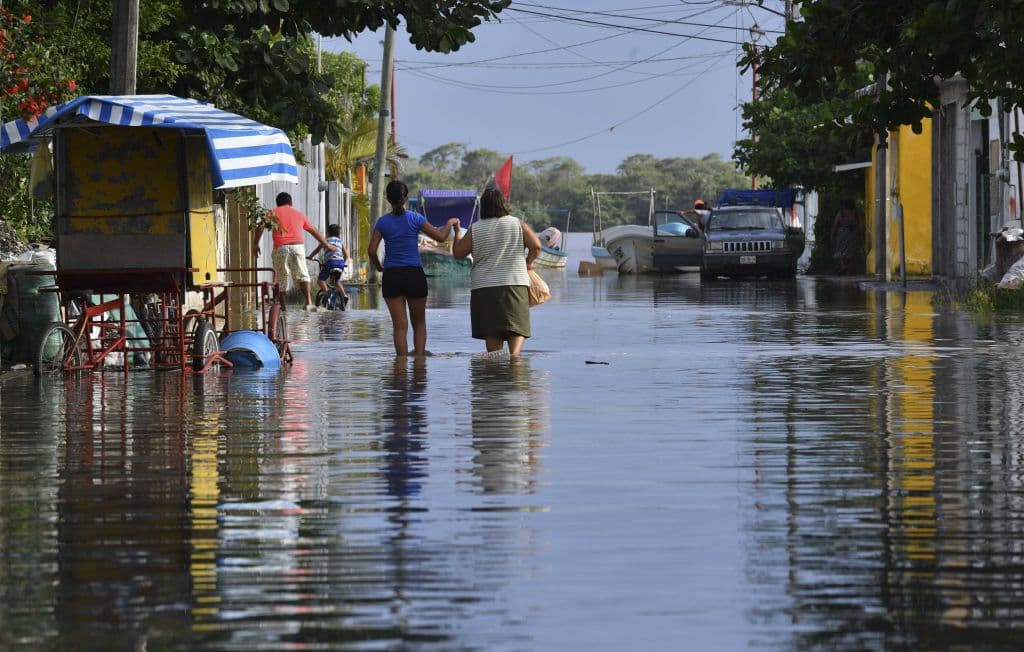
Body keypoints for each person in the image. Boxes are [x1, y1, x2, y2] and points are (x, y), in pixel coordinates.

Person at [367, 180, 460, 357]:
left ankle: (401, 368)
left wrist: (379, 267)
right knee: (419, 324)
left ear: (388, 199)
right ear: (406, 198)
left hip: (392, 276)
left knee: (399, 326)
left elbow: (371, 250)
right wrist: (449, 223)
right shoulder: (415, 218)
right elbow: (441, 237)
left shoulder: (383, 222)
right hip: (414, 275)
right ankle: (419, 363)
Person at [452, 187, 542, 359]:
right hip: (515, 283)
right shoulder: (517, 224)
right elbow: (536, 246)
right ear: (503, 204)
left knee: (492, 331)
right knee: (516, 327)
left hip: (484, 287)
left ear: (483, 207)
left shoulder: (476, 228)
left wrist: (457, 233)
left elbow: (458, 253)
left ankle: (495, 368)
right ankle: (515, 358)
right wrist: (527, 263)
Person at [252, 192, 337, 310]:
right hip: (298, 247)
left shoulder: (272, 212)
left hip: (280, 248)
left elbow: (260, 226)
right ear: (291, 203)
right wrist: (327, 244)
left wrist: (255, 244)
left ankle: (283, 308)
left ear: (277, 203)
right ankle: (308, 302)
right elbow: (314, 231)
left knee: (282, 277)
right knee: (303, 275)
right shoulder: (299, 214)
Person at [307, 223, 350, 309]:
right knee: (337, 281)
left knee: (320, 280)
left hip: (330, 262)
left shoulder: (325, 240)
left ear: (328, 232)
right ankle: (344, 295)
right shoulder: (340, 241)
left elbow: (317, 250)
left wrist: (311, 257)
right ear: (338, 233)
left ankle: (327, 293)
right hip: (340, 262)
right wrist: (342, 262)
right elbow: (346, 255)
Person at [830, 199, 864, 274]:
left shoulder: (841, 213)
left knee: (841, 253)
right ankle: (849, 270)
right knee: (851, 254)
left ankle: (844, 267)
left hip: (842, 236)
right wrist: (860, 235)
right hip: (853, 236)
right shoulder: (856, 213)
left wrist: (832, 235)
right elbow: (861, 225)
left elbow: (835, 225)